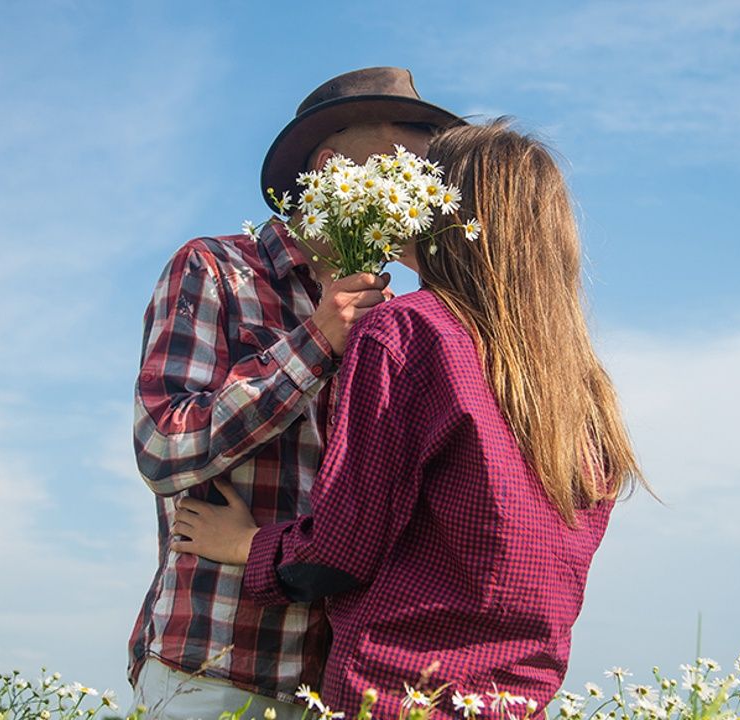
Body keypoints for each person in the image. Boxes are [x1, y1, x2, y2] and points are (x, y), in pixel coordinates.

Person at [169, 119, 654, 719]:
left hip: (397, 690)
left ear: (457, 213)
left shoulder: (408, 330)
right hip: (515, 698)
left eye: (425, 180)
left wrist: (247, 545)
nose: (408, 195)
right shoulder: (581, 382)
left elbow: (342, 548)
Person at [128, 67, 465, 719]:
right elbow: (162, 448)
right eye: (406, 148)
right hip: (214, 666)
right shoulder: (215, 270)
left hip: (341, 682)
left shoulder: (398, 317)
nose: (424, 172)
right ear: (334, 165)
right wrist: (316, 340)